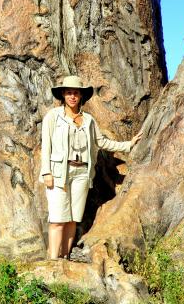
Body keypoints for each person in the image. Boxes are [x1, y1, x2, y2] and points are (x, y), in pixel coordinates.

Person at [39, 75, 142, 260]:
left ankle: (65, 257)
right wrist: (46, 172)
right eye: (69, 92)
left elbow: (101, 142)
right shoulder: (53, 117)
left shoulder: (88, 120)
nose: (72, 96)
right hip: (58, 172)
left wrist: (128, 144)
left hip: (81, 173)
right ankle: (53, 261)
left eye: (76, 93)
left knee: (72, 218)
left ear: (81, 96)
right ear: (63, 94)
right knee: (57, 219)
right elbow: (46, 146)